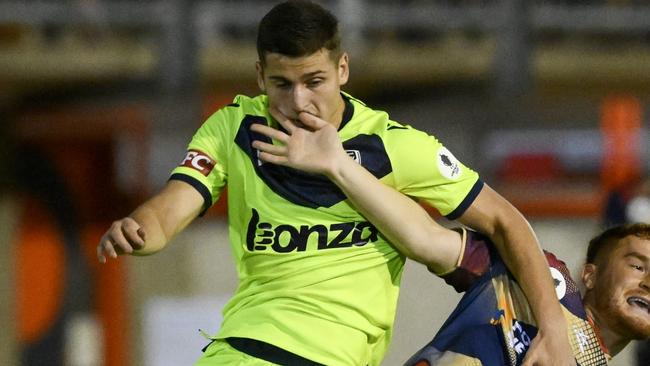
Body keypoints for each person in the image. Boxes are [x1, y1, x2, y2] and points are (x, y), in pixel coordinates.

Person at [97, 1, 572, 365]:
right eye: (281, 83)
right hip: (247, 348)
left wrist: (552, 328)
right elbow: (171, 207)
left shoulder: (394, 146)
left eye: (315, 81)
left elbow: (506, 220)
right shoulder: (233, 129)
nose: (298, 99)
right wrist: (140, 229)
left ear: (342, 69)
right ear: (260, 76)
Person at [250, 107, 650, 365]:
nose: (649, 282)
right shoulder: (543, 282)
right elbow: (425, 238)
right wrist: (341, 167)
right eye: (637, 265)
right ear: (591, 274)